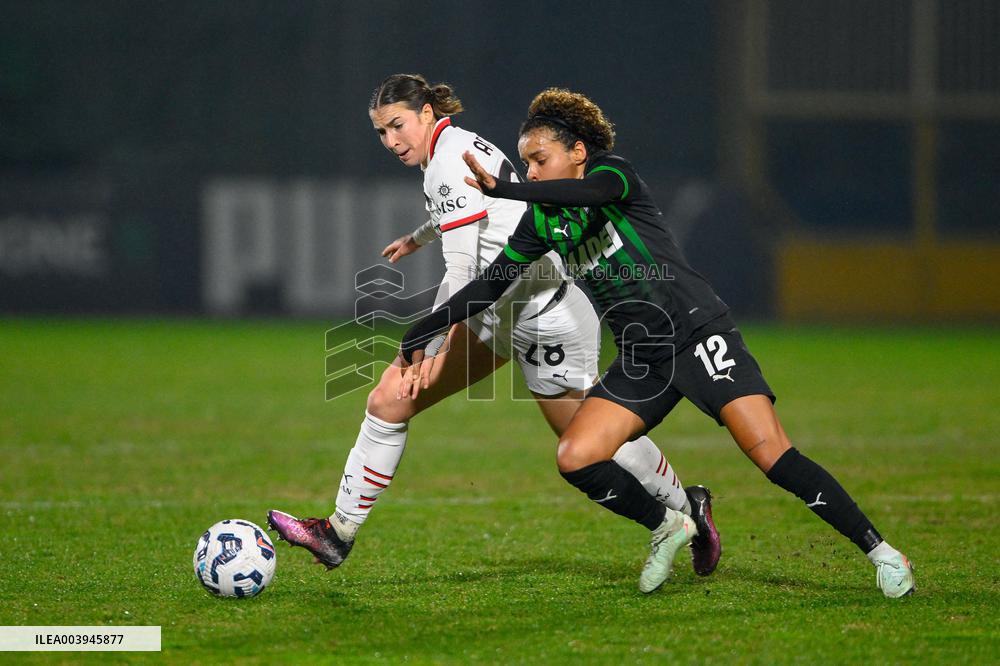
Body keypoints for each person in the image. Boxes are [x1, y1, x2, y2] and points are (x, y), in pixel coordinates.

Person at [397, 87, 915, 597]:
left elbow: (592, 195)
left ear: (578, 152)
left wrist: (506, 191)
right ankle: (669, 525)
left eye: (540, 159)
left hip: (695, 333)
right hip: (641, 357)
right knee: (576, 455)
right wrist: (430, 325)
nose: (530, 171)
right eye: (525, 164)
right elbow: (493, 283)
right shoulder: (541, 220)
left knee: (771, 455)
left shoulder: (613, 175)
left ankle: (883, 553)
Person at [267, 75, 721, 580]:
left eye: (397, 126)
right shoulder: (450, 148)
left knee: (587, 437)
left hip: (546, 319)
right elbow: (479, 211)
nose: (391, 141)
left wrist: (432, 340)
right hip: (501, 314)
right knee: (388, 401)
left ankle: (688, 509)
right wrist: (419, 236)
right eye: (380, 132)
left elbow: (461, 272)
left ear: (425, 113)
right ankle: (337, 534)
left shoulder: (445, 160)